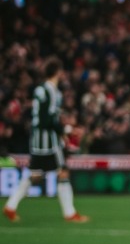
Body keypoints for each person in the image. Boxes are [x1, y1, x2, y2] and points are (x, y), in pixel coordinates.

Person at [4, 59, 90, 224]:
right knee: (63, 172)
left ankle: (10, 206)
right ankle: (70, 213)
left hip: (37, 139)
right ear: (57, 72)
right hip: (49, 141)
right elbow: (48, 119)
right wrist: (66, 130)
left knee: (36, 175)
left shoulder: (40, 89)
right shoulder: (52, 91)